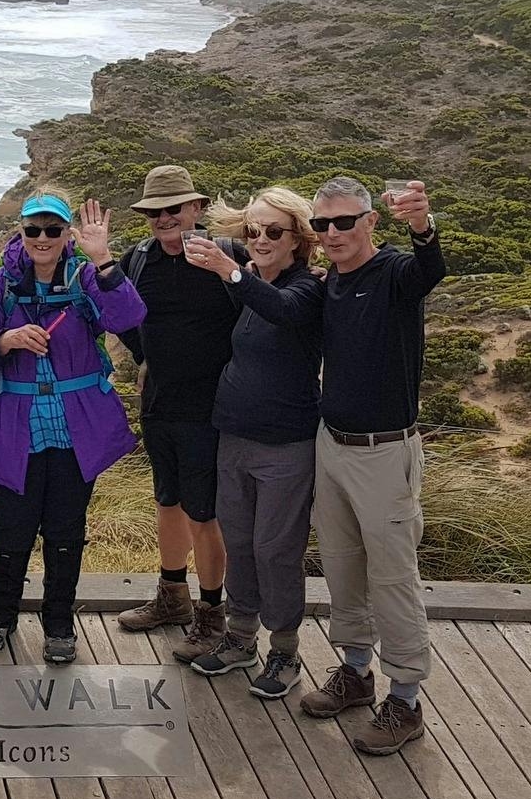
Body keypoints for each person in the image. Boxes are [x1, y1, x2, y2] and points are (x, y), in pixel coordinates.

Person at [296, 175, 444, 755]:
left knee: (393, 579)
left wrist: (423, 226)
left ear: (370, 223)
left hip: (386, 451)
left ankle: (405, 700)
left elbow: (428, 269)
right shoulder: (331, 279)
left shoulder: (394, 274)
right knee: (341, 566)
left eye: (345, 222)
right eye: (322, 224)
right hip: (332, 444)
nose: (333, 233)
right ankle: (356, 671)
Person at [0, 192, 146, 663]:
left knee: (66, 530)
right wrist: (6, 340)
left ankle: (59, 620)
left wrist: (103, 258)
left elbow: (129, 317)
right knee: (12, 529)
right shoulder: (0, 285)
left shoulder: (86, 278)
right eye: (33, 230)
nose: (42, 238)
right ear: (21, 233)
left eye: (52, 230)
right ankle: (0, 613)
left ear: (67, 235)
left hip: (74, 430)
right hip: (18, 429)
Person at [181, 188, 324, 699]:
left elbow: (282, 311)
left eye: (273, 232)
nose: (260, 239)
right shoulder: (248, 283)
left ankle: (285, 650)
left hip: (286, 444)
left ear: (299, 240)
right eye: (253, 230)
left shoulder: (307, 288)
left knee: (275, 549)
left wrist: (230, 270)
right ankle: (241, 638)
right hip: (234, 436)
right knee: (238, 541)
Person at [114, 165, 241, 664]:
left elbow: (264, 302)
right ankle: (172, 596)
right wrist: (141, 356)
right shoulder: (139, 259)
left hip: (211, 409)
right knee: (167, 501)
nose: (164, 219)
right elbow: (119, 313)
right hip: (159, 405)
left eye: (174, 208)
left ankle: (212, 613)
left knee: (204, 512)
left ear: (197, 209)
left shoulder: (225, 257)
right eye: (155, 211)